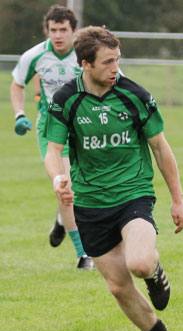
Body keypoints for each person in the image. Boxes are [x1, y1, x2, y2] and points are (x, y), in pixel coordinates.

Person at [44, 26, 183, 331]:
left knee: (138, 263)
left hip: (132, 194)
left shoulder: (133, 94)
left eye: (117, 61)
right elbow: (53, 150)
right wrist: (57, 179)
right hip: (91, 204)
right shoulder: (66, 99)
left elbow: (161, 149)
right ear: (85, 64)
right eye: (107, 63)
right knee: (118, 287)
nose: (115, 69)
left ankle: (154, 272)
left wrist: (178, 200)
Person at [10, 5, 93, 270]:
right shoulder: (34, 56)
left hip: (82, 125)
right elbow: (17, 84)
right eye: (53, 30)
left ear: (74, 31)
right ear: (47, 30)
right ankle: (83, 255)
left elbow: (114, 78)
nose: (58, 35)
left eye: (63, 30)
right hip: (50, 126)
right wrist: (19, 114)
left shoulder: (85, 55)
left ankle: (61, 219)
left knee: (84, 187)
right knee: (65, 186)